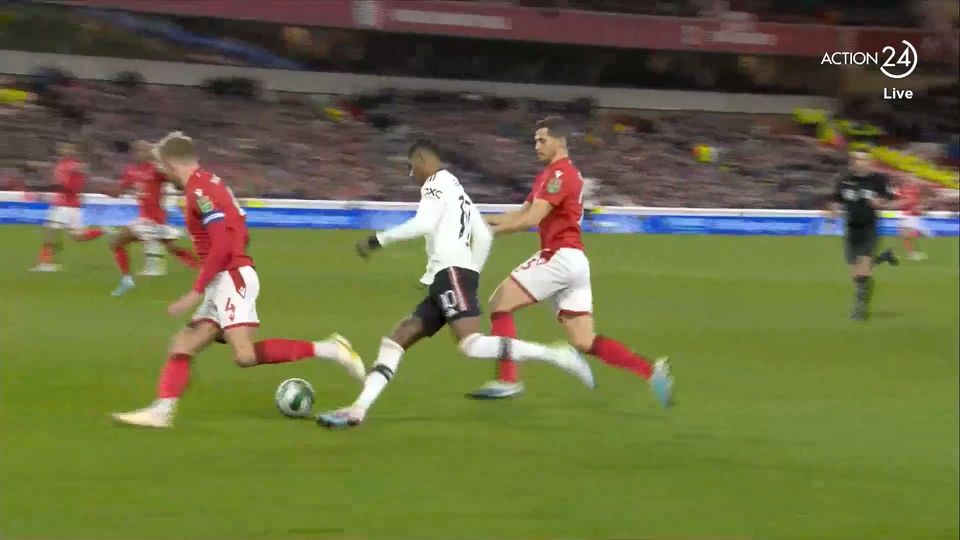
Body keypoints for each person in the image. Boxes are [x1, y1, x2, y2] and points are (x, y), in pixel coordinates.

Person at [316, 140, 594, 429]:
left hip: (451, 275)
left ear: (423, 161)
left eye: (412, 167)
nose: (412, 175)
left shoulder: (434, 185)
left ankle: (556, 355)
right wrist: (470, 272)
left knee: (472, 345)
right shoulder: (458, 190)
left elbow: (423, 224)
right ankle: (358, 409)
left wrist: (377, 240)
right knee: (396, 340)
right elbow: (483, 235)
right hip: (449, 277)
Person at [111, 132, 365, 428]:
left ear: (172, 164)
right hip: (225, 277)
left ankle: (331, 349)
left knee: (244, 355)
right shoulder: (210, 183)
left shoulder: (199, 192)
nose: (163, 175)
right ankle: (162, 411)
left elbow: (221, 244)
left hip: (230, 277)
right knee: (183, 344)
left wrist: (196, 291)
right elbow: (240, 232)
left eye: (163, 167)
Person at [466, 117, 673, 405]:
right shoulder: (551, 175)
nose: (536, 146)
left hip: (558, 257)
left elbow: (531, 219)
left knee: (500, 303)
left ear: (560, 141)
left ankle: (508, 380)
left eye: (542, 140)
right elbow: (520, 214)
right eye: (535, 141)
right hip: (574, 262)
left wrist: (488, 233)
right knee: (584, 341)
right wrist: (479, 221)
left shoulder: (560, 175)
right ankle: (651, 372)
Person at [109, 140, 199, 297]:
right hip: (145, 219)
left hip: (154, 219)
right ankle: (203, 267)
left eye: (144, 150)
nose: (140, 153)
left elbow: (179, 184)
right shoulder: (131, 171)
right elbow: (120, 189)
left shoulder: (156, 169)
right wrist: (113, 191)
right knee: (172, 248)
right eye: (137, 150)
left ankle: (127, 280)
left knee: (116, 242)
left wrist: (172, 176)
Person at [828, 150, 898, 321]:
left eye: (864, 159)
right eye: (857, 159)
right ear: (853, 161)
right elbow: (836, 199)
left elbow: (890, 199)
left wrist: (880, 203)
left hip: (869, 228)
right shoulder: (844, 179)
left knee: (863, 270)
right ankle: (884, 257)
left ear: (869, 162)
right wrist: (833, 211)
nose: (861, 162)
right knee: (855, 273)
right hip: (851, 229)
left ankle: (859, 308)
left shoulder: (879, 179)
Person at [31, 143, 106, 272]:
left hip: (66, 205)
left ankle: (45, 263)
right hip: (68, 204)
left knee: (49, 231)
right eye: (61, 148)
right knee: (78, 237)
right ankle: (103, 231)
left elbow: (80, 173)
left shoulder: (73, 165)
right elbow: (62, 182)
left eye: (67, 148)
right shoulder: (61, 165)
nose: (63, 150)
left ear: (73, 151)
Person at [896, 177, 929, 261]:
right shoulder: (902, 191)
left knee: (911, 235)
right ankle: (911, 254)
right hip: (907, 215)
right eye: (908, 180)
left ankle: (913, 252)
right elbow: (902, 203)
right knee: (907, 236)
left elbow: (917, 202)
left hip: (914, 216)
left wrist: (919, 209)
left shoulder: (915, 190)